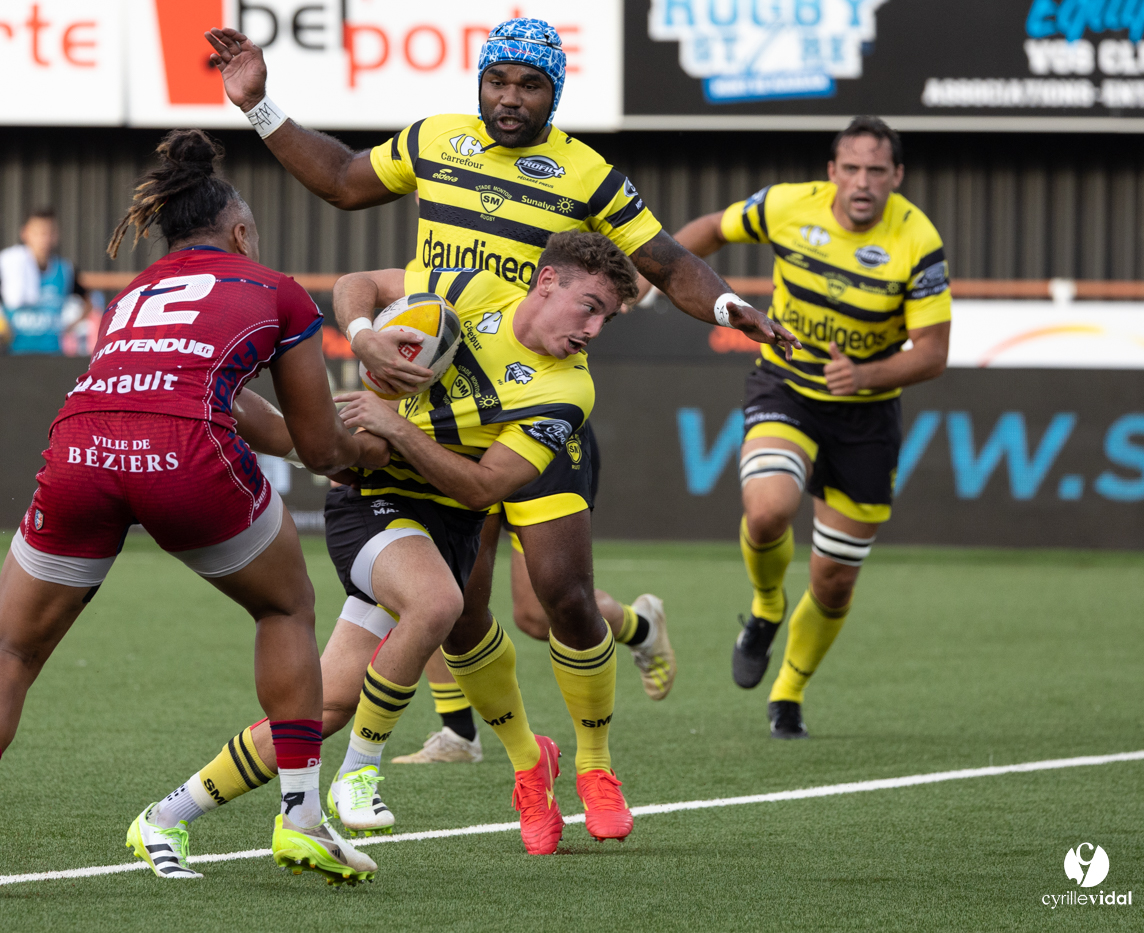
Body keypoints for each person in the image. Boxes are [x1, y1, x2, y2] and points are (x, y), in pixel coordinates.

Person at [201, 15, 797, 776]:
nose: (511, 98)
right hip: (443, 407)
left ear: (556, 93)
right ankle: (475, 740)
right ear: (480, 81)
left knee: (552, 600)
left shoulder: (586, 173)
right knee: (459, 602)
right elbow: (346, 180)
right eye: (498, 81)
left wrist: (725, 308)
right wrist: (259, 104)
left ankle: (613, 697)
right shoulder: (436, 140)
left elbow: (670, 260)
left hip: (534, 400)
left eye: (530, 85)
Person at [0, 130, 384, 896]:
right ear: (241, 232)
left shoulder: (133, 293)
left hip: (81, 446)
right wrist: (372, 451)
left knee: (10, 651)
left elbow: (203, 389)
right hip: (183, 456)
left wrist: (307, 442)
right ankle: (299, 815)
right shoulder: (274, 287)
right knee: (286, 606)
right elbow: (321, 449)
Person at [135, 231, 634, 859]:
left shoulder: (568, 391)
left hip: (447, 520)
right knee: (437, 604)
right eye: (590, 305)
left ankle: (164, 816)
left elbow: (482, 491)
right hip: (374, 503)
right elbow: (355, 285)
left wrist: (396, 425)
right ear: (547, 282)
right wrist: (366, 331)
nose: (594, 327)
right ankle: (357, 773)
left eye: (608, 317)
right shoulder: (471, 289)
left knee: (322, 707)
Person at [673, 116, 952, 739]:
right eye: (850, 168)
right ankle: (766, 606)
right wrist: (653, 272)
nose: (862, 182)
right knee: (768, 509)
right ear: (831, 172)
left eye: (876, 171)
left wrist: (871, 373)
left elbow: (933, 353)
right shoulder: (784, 204)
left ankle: (788, 694)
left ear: (896, 177)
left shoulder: (918, 241)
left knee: (833, 578)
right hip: (786, 387)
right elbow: (709, 231)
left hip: (866, 414)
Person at [0, 208, 94, 355]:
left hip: (53, 355)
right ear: (25, 233)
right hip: (14, 355)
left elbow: (89, 302)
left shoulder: (65, 270)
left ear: (56, 235)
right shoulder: (10, 269)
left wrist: (70, 327)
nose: (44, 239)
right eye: (39, 233)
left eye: (49, 233)